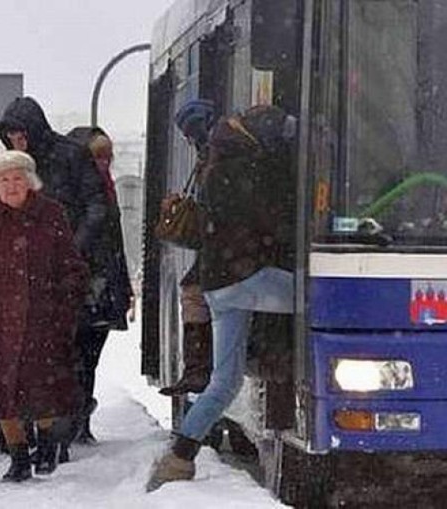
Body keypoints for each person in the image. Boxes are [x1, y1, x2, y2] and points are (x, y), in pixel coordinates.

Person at [147, 104, 297, 492]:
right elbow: (271, 224)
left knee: (224, 381)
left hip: (219, 286)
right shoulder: (245, 167)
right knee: (323, 295)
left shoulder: (217, 162)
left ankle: (179, 457)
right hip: (248, 279)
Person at [0, 150, 89, 482]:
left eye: (17, 178)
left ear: (30, 181)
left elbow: (73, 267)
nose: (11, 185)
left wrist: (64, 306)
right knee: (2, 395)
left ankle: (44, 448)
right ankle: (17, 459)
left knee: (42, 390)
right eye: (3, 179)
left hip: (45, 321)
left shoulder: (51, 214)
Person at [0, 96, 108, 456]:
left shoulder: (70, 156)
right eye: (11, 136)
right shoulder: (15, 166)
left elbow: (96, 207)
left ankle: (55, 431)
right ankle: (15, 430)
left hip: (59, 271)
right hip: (20, 269)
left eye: (22, 134)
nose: (17, 141)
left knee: (56, 354)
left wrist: (71, 248)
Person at [65, 126, 134, 444]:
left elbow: (115, 242)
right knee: (75, 356)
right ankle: (71, 420)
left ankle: (81, 421)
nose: (104, 163)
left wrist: (122, 287)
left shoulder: (106, 190)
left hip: (104, 284)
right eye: (97, 157)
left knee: (90, 356)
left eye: (108, 156)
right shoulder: (75, 190)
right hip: (82, 284)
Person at [157, 99, 215, 398]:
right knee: (193, 290)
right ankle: (197, 369)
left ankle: (198, 370)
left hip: (222, 246)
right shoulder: (216, 150)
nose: (190, 139)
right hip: (223, 245)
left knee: (194, 293)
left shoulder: (214, 154)